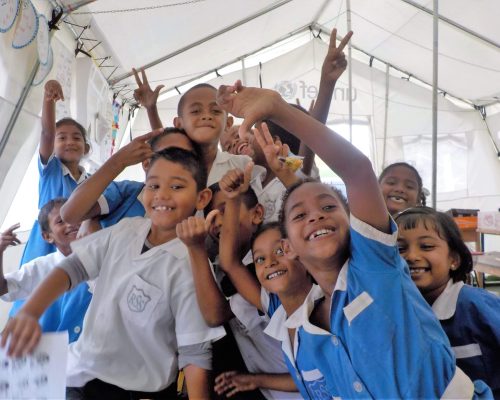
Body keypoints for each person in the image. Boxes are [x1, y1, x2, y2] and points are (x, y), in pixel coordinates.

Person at [216, 80, 491, 398]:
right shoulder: (300, 325)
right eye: (300, 216)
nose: (316, 216)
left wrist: (278, 108)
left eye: (329, 208)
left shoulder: (374, 268)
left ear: (353, 226)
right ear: (288, 247)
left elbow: (357, 170)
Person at [1, 148, 225, 399]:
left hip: (136, 391)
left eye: (176, 187)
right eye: (153, 185)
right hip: (80, 374)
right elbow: (73, 267)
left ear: (202, 198)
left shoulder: (190, 263)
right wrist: (31, 311)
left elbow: (195, 352)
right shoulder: (126, 230)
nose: (162, 195)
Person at [215, 161, 329, 399]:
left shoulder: (328, 305)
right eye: (259, 259)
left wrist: (287, 174)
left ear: (303, 253)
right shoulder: (275, 308)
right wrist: (233, 199)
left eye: (280, 251)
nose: (270, 263)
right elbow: (230, 262)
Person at [219, 29, 352, 222]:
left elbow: (312, 136)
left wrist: (327, 82)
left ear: (275, 142)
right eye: (231, 145)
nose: (242, 139)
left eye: (251, 133)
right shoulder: (252, 177)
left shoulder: (294, 166)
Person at [396, 207, 500, 399]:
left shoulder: (476, 305)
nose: (411, 256)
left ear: (454, 259)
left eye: (426, 246)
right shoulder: (395, 315)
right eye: (400, 249)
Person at [60, 127, 197, 228]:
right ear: (146, 163)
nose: (178, 163)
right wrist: (119, 161)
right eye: (170, 155)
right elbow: (70, 214)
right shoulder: (126, 191)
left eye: (186, 156)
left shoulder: (192, 205)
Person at [0, 198, 92, 342]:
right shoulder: (41, 268)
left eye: (75, 217)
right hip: (62, 355)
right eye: (61, 221)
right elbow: (3, 288)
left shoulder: (102, 253)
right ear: (47, 236)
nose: (72, 224)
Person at [19, 79, 90, 266]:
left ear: (87, 148)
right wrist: (49, 98)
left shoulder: (91, 182)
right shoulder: (51, 171)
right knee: (35, 290)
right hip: (43, 250)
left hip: (75, 251)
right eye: (62, 138)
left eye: (76, 138)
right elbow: (47, 133)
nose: (70, 142)